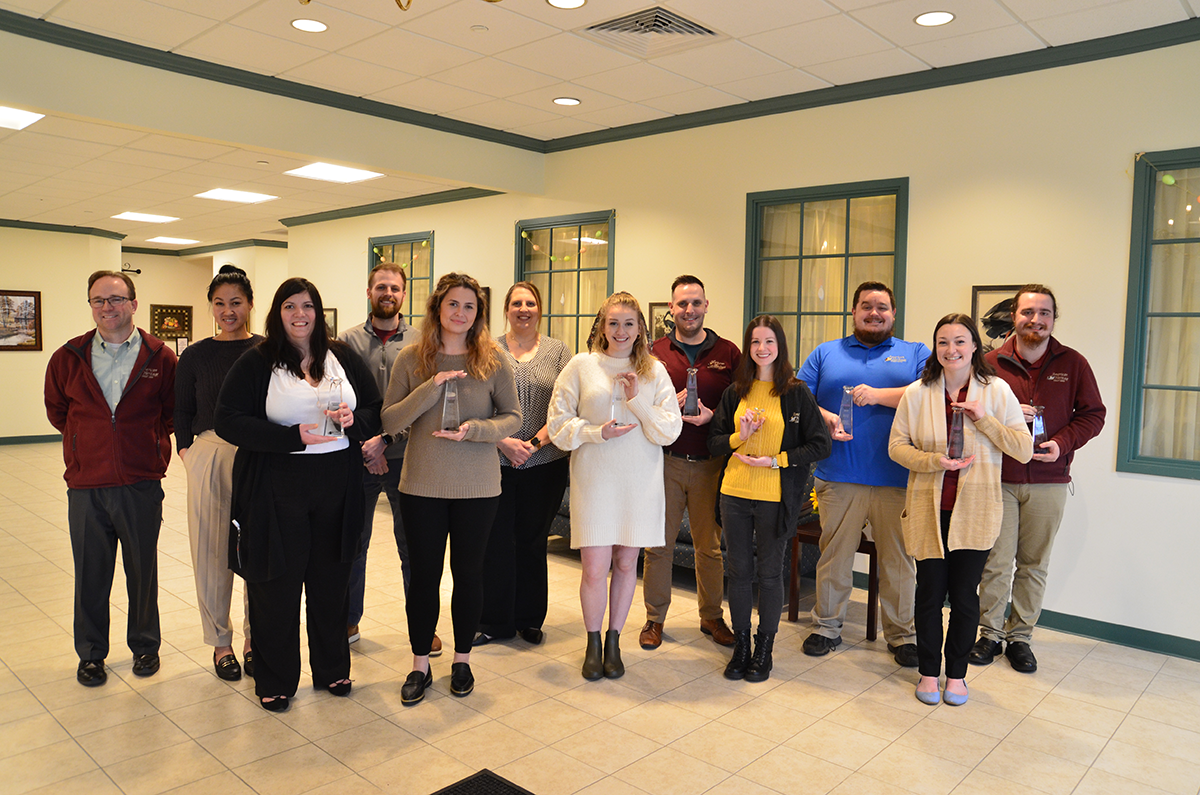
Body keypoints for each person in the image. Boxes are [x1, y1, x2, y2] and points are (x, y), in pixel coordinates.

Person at [214, 278, 381, 712]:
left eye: (307, 306)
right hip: (276, 486)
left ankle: (331, 670)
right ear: (277, 313)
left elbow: (374, 408)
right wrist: (290, 436)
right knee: (276, 586)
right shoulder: (257, 362)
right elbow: (228, 420)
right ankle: (276, 678)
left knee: (331, 581)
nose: (300, 314)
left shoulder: (341, 357)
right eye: (290, 306)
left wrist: (352, 418)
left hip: (336, 485)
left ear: (318, 311)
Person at [380, 273, 520, 705]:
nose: (461, 313)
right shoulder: (409, 358)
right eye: (453, 305)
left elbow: (513, 418)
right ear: (438, 308)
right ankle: (420, 663)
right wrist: (431, 387)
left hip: (478, 487)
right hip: (421, 484)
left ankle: (462, 659)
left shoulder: (493, 360)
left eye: (470, 307)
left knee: (469, 575)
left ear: (478, 315)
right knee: (424, 577)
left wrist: (475, 430)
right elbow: (390, 421)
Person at [889, 313, 1032, 706]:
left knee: (966, 596)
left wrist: (984, 420)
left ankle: (957, 675)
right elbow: (896, 447)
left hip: (976, 511)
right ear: (936, 349)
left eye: (960, 341)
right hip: (928, 510)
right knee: (929, 594)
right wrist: (933, 462)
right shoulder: (918, 393)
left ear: (974, 347)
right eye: (943, 342)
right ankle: (928, 673)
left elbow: (1022, 448)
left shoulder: (997, 392)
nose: (951, 350)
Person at [45, 270, 176, 687]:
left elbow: (172, 413)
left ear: (134, 304)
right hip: (87, 486)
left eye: (116, 299)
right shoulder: (69, 356)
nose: (107, 307)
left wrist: (150, 444)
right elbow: (58, 411)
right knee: (91, 573)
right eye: (98, 300)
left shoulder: (160, 357)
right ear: (91, 306)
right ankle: (91, 655)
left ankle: (145, 647)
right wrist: (87, 442)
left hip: (140, 483)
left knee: (143, 571)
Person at [970, 285, 1105, 673]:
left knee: (1034, 564)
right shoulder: (989, 364)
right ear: (1014, 316)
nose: (1036, 320)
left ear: (1052, 319)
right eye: (1028, 312)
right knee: (996, 562)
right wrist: (1006, 421)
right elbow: (970, 415)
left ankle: (1020, 638)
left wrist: (1062, 444)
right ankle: (989, 634)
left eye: (1044, 313)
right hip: (1000, 479)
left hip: (1049, 480)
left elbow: (1093, 414)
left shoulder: (1073, 363)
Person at [547, 292, 682, 681]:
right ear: (601, 325)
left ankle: (613, 641)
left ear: (640, 327)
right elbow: (557, 427)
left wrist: (636, 401)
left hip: (639, 482)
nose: (621, 331)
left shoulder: (654, 371)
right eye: (613, 323)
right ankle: (591, 642)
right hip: (595, 480)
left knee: (626, 564)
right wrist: (595, 432)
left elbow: (669, 431)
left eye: (629, 323)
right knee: (594, 568)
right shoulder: (581, 366)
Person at [798, 282, 930, 667]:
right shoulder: (826, 353)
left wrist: (876, 395)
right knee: (835, 556)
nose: (875, 313)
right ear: (853, 312)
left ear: (893, 313)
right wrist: (825, 416)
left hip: (898, 480)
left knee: (899, 562)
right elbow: (798, 394)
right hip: (839, 476)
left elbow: (928, 393)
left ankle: (902, 635)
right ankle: (826, 627)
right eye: (866, 306)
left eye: (883, 307)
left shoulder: (915, 353)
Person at [708, 316, 831, 682]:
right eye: (756, 342)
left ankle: (765, 648)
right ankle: (742, 645)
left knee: (770, 573)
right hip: (734, 493)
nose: (762, 349)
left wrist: (776, 461)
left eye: (769, 342)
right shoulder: (735, 392)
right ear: (748, 348)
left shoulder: (795, 392)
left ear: (780, 347)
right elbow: (715, 443)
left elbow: (819, 445)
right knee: (739, 572)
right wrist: (738, 436)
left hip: (775, 498)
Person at [338, 262, 442, 656]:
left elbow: (424, 404)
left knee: (414, 547)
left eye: (395, 288)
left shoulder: (423, 343)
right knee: (353, 543)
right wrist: (368, 445)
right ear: (369, 293)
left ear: (403, 294)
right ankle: (348, 619)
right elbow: (339, 400)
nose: (388, 293)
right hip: (355, 457)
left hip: (410, 457)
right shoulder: (344, 343)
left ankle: (423, 626)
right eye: (381, 286)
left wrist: (386, 441)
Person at [640, 275, 741, 651]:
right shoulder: (653, 352)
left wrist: (714, 416)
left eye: (696, 303)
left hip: (711, 465)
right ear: (671, 308)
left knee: (709, 547)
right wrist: (668, 405)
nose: (689, 310)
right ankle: (655, 619)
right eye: (682, 304)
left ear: (706, 305)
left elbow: (742, 407)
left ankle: (711, 616)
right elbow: (639, 404)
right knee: (658, 545)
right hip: (664, 461)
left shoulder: (730, 353)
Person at [175, 265, 260, 681]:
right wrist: (188, 451)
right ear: (211, 306)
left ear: (249, 304)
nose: (228, 311)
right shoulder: (195, 355)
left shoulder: (266, 350)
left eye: (236, 302)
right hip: (208, 452)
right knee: (211, 550)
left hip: (258, 456)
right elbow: (181, 409)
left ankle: (252, 639)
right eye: (220, 303)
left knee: (256, 550)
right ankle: (221, 642)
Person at [474, 283, 571, 647]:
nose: (524, 309)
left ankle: (529, 618)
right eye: (517, 303)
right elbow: (477, 402)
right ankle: (493, 620)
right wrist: (502, 441)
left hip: (544, 461)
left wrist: (531, 444)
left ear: (539, 308)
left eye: (530, 302)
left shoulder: (558, 352)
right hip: (493, 460)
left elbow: (565, 406)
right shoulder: (487, 349)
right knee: (494, 542)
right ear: (507, 309)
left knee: (532, 542)